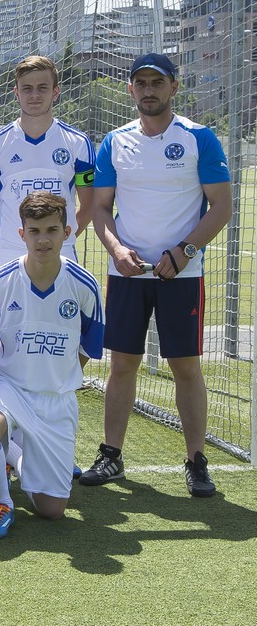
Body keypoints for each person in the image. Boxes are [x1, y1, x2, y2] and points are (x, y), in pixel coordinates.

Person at [82, 52, 231, 497]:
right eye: (141, 83)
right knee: (122, 364)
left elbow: (221, 207)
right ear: (130, 89)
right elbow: (100, 208)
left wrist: (185, 252)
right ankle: (111, 455)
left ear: (174, 87)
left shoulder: (199, 138)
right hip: (128, 274)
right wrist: (116, 249)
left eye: (158, 82)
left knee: (185, 366)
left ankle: (196, 461)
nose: (149, 90)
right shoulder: (114, 141)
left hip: (181, 276)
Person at [0, 192, 104, 539]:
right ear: (22, 234)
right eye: (34, 231)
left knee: (51, 510)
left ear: (67, 232)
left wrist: (58, 375)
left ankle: (15, 454)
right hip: (9, 388)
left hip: (56, 400)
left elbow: (89, 347)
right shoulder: (0, 283)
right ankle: (2, 502)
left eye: (51, 230)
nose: (43, 239)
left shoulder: (84, 285)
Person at [0, 55, 94, 269]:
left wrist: (60, 239)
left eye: (42, 88)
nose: (34, 95)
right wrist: (20, 237)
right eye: (27, 88)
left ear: (55, 92)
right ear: (16, 92)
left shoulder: (77, 143)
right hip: (9, 253)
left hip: (61, 254)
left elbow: (88, 206)